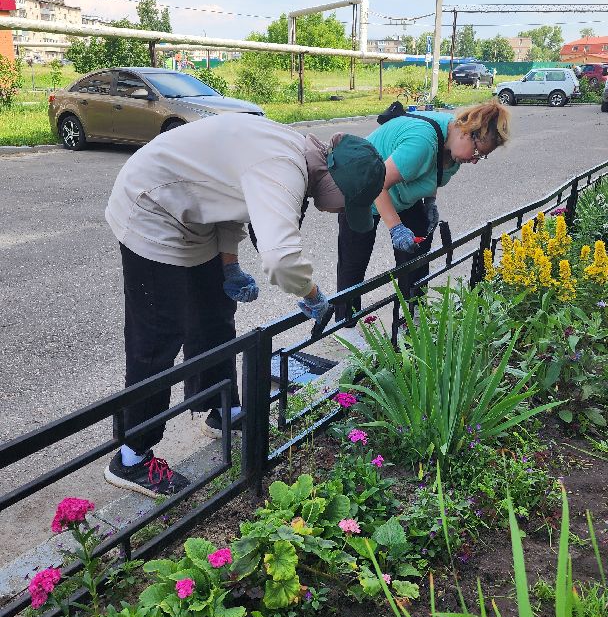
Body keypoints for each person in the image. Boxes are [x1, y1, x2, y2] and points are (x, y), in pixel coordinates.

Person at [103, 113, 385, 498]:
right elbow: (281, 258)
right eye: (345, 205)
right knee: (156, 338)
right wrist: (312, 294)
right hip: (152, 209)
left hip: (191, 214)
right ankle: (132, 455)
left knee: (214, 319)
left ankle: (221, 409)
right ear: (334, 182)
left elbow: (229, 199)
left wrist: (229, 265)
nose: (339, 213)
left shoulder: (298, 156)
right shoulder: (282, 167)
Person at [335, 100, 511, 333]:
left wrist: (430, 203)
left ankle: (410, 320)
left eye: (482, 156)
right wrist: (396, 227)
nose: (476, 159)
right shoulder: (421, 143)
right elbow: (376, 184)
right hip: (364, 190)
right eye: (478, 152)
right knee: (354, 261)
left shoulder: (454, 150)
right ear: (467, 133)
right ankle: (344, 328)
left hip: (399, 193)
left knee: (416, 257)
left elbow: (431, 173)